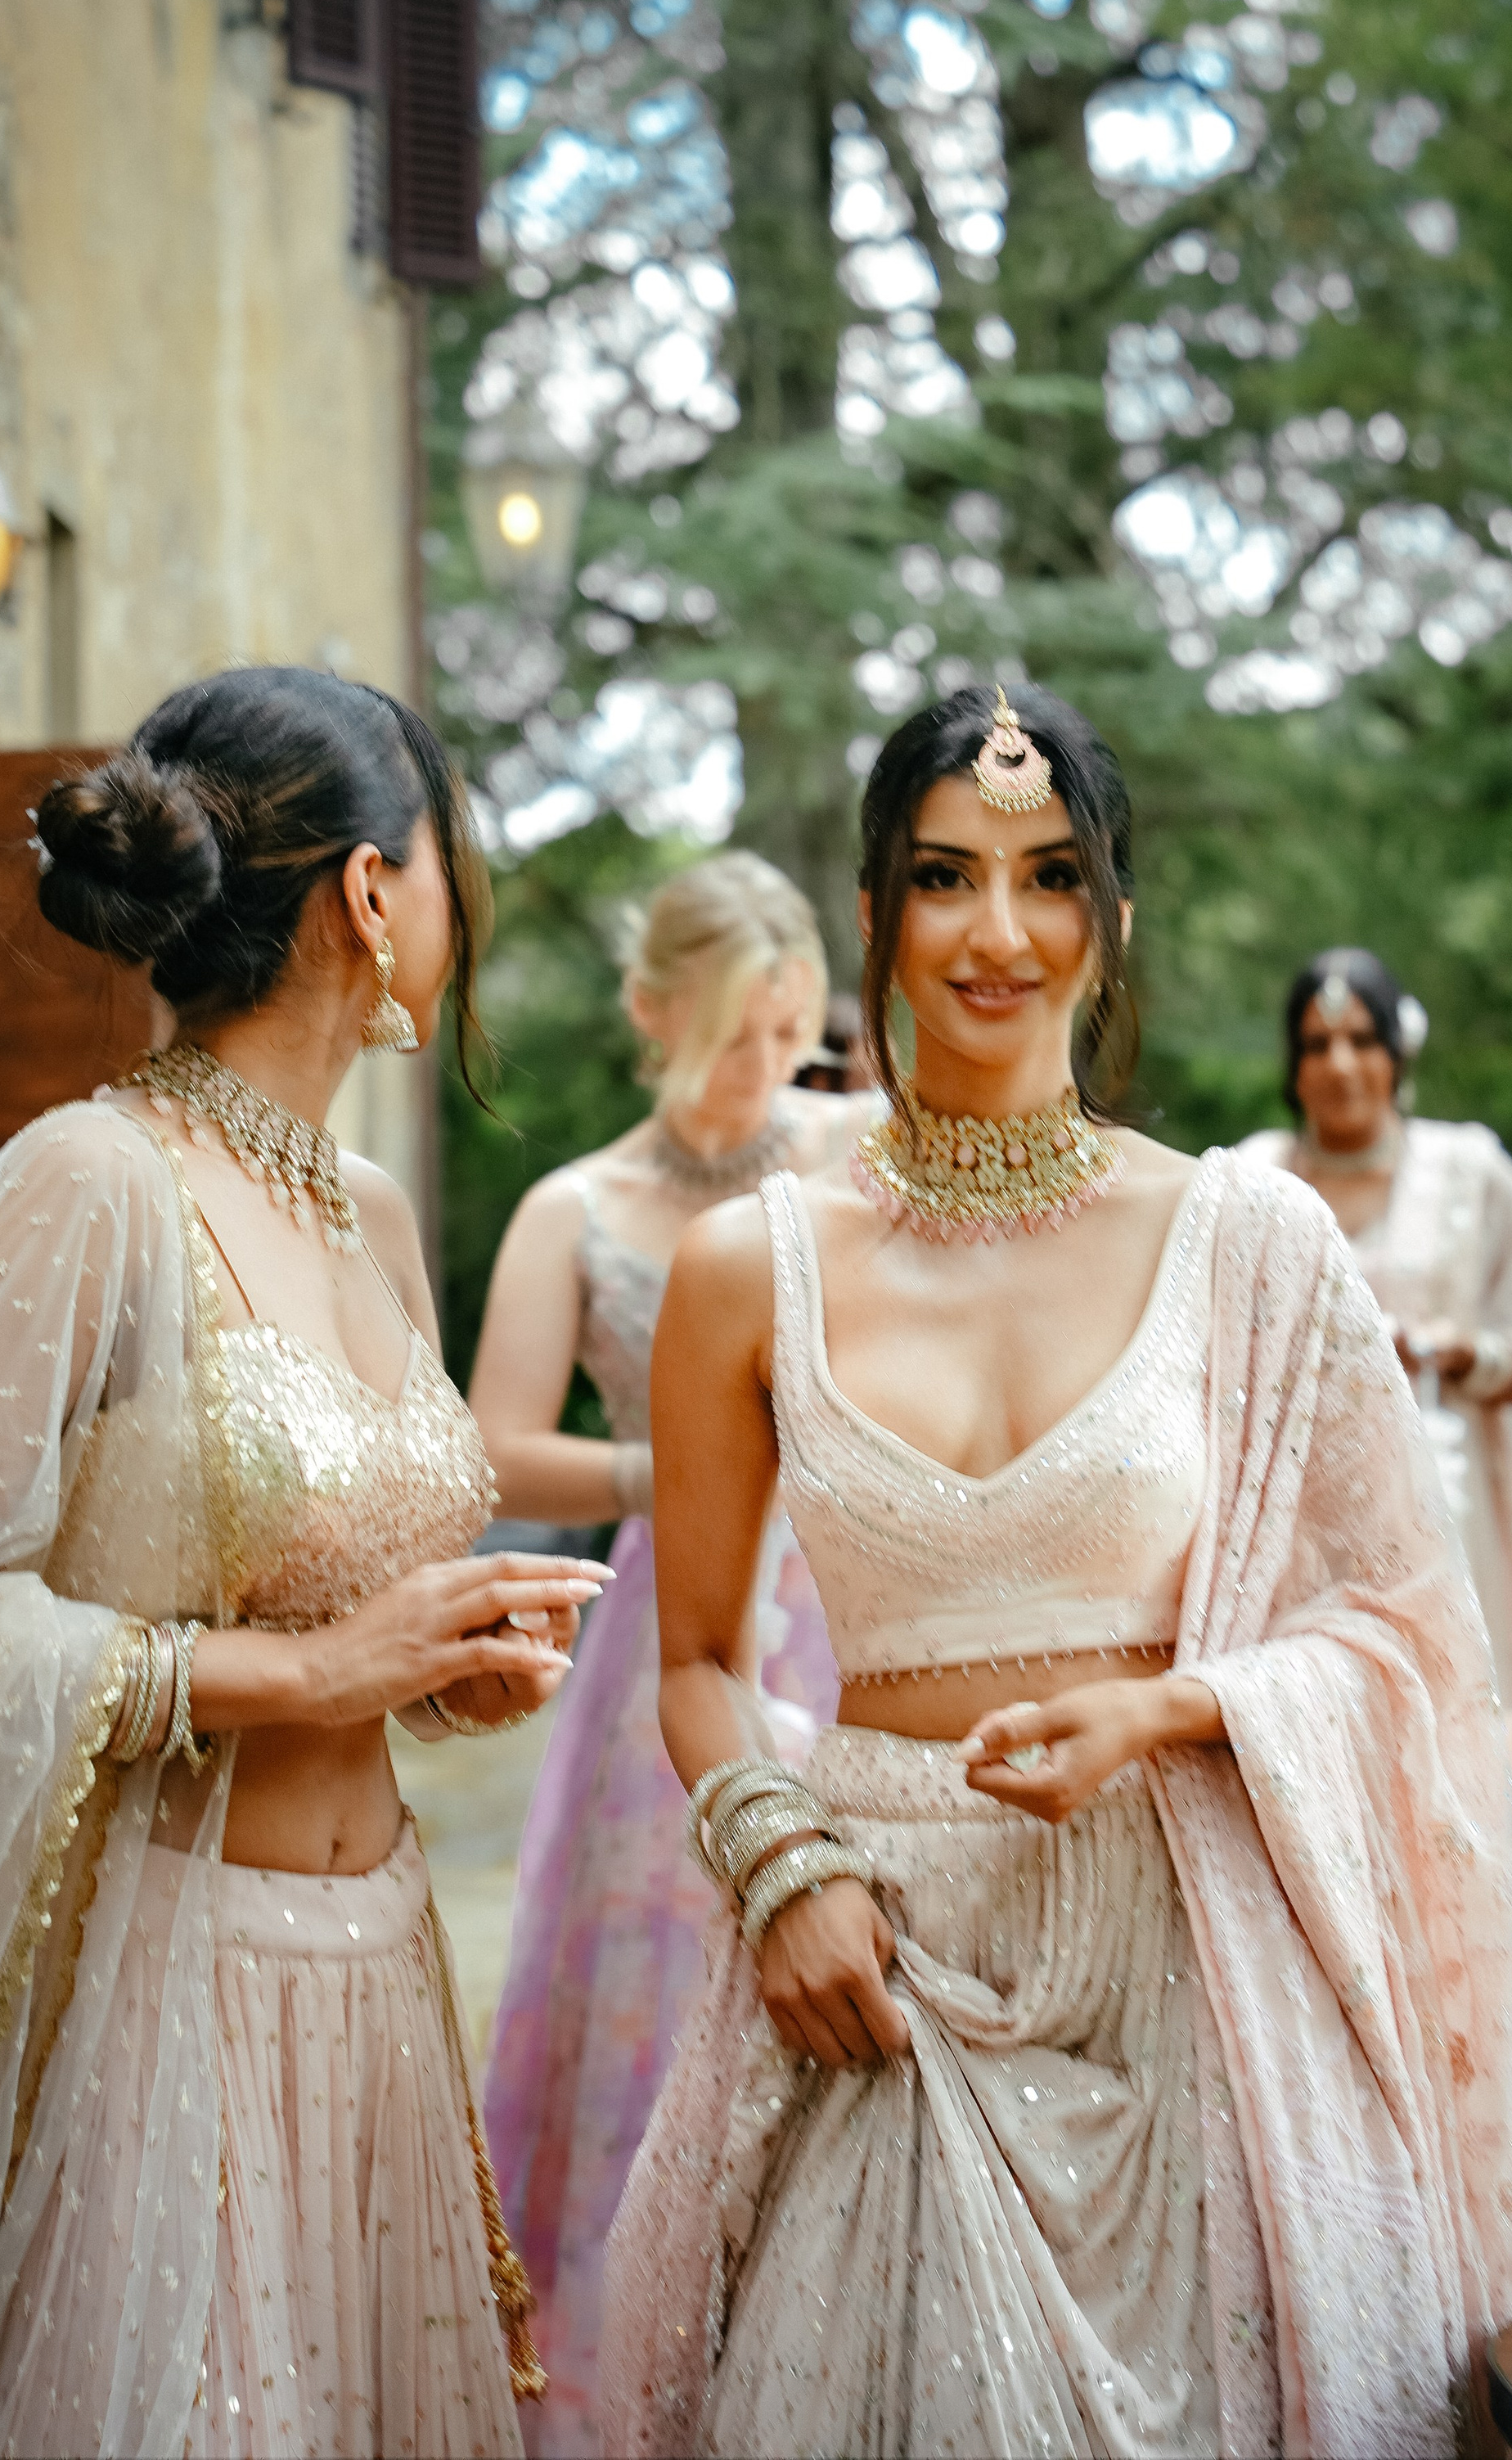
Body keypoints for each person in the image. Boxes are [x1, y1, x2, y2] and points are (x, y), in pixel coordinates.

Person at [602, 684, 1512, 2459]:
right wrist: (780, 1868)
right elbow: (702, 1657)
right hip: (874, 1968)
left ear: (1111, 925)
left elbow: (1405, 1628)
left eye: (1050, 878)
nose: (997, 931)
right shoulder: (749, 1268)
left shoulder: (1243, 1242)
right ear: (872, 912)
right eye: (945, 877)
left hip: (1183, 1966)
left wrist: (1174, 1702)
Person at [0, 667, 602, 2460]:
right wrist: (294, 1675)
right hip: (163, 2007)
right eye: (442, 860)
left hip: (382, 1982)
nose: (457, 907)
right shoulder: (92, 1180)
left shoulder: (380, 1214)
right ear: (365, 893)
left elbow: (341, 1594)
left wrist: (430, 1675)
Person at [471, 854, 864, 2455]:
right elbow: (491, 1444)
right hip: (668, 1630)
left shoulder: (845, 1155)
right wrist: (672, 1471)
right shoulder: (577, 1207)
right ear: (647, 1013)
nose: (763, 1069)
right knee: (653, 1964)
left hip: (842, 1604)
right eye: (730, 1036)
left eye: (787, 1032)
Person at [1236, 948, 1512, 1705]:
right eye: (1316, 1044)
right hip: (1297, 1530)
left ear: (1398, 1054)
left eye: (1363, 1041)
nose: (1340, 1065)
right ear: (1293, 1067)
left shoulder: (1471, 1175)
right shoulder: (1254, 1181)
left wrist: (1476, 1357)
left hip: (1449, 1509)